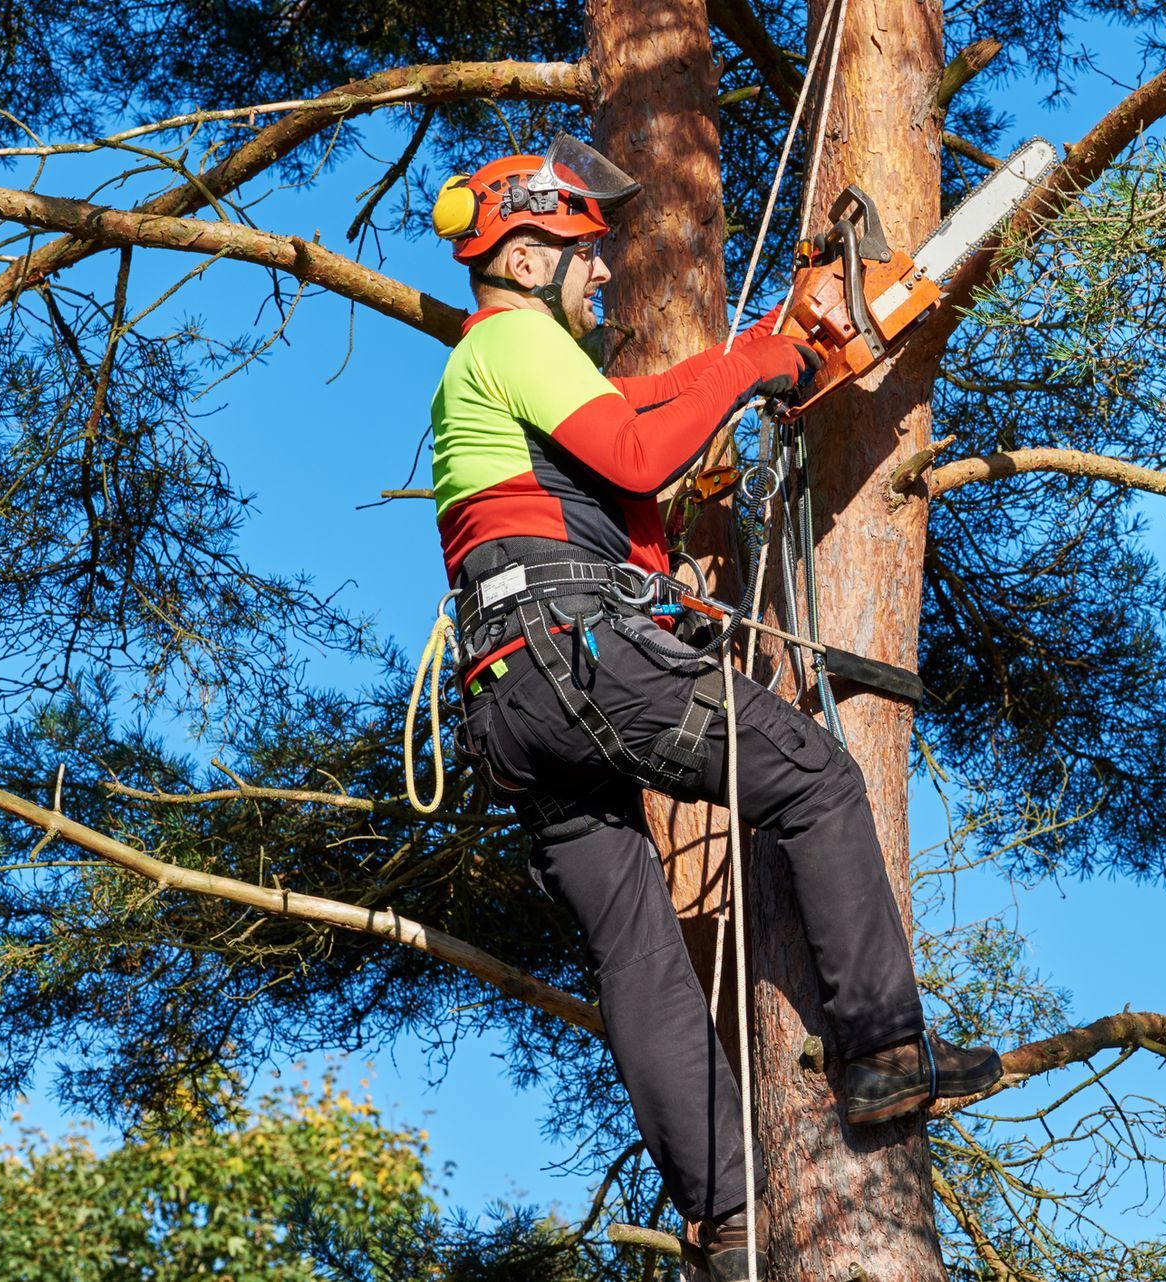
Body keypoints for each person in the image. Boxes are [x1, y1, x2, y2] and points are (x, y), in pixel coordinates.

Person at [426, 136, 1002, 1279]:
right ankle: (884, 1049)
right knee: (815, 779)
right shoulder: (516, 342)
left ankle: (729, 1218)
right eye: (588, 256)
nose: (602, 277)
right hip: (572, 659)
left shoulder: (509, 378)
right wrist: (751, 363)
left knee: (636, 949)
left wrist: (768, 353)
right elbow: (640, 450)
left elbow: (634, 416)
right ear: (530, 255)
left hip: (510, 703)